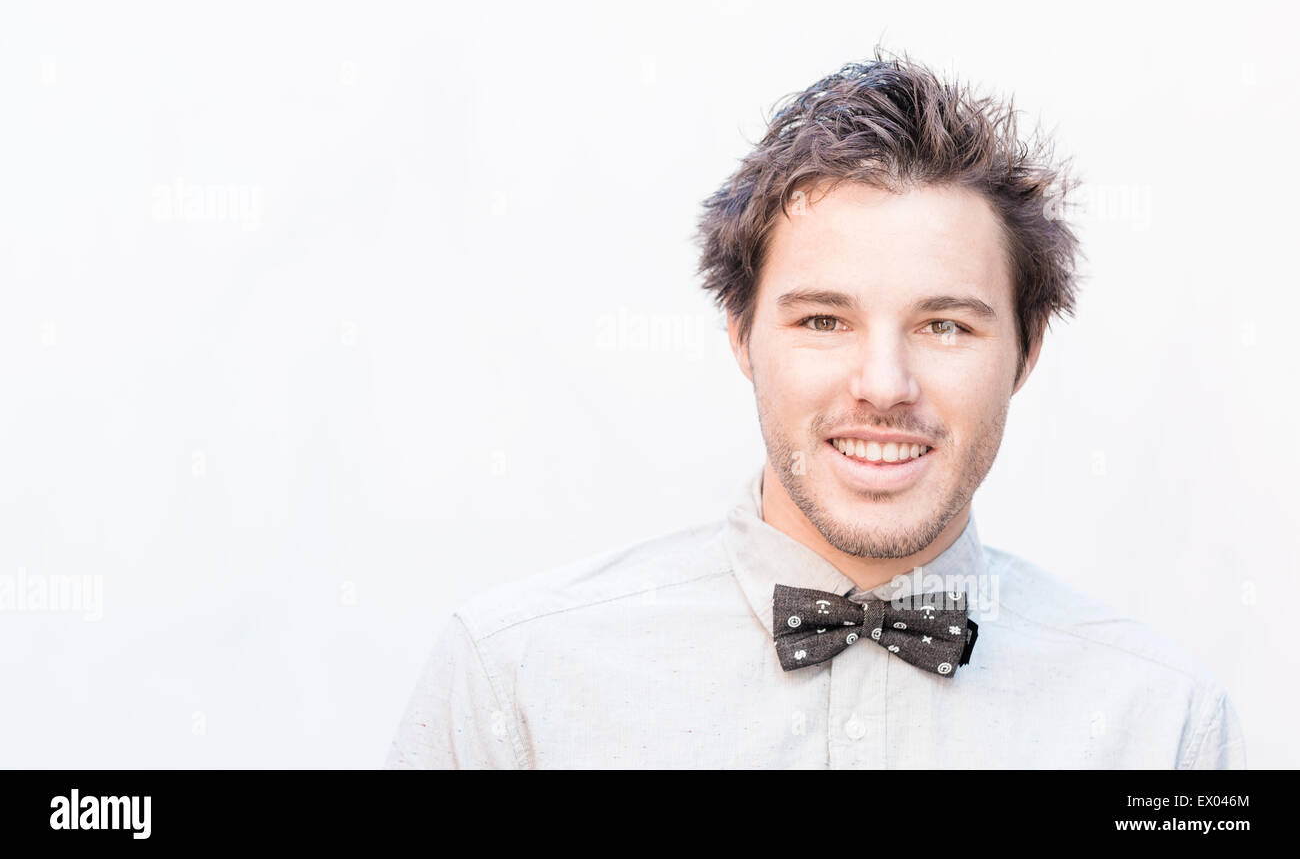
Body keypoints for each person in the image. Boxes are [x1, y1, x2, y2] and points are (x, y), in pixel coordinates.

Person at [384, 50, 1247, 769]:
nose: (883, 383)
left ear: (1026, 352)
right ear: (740, 334)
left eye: (945, 325)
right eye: (824, 320)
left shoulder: (1166, 728)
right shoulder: (513, 685)